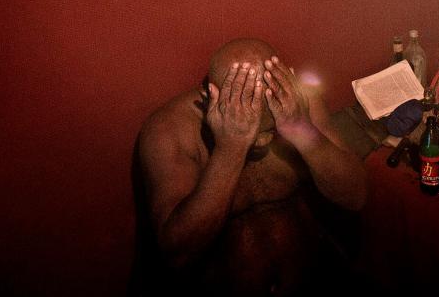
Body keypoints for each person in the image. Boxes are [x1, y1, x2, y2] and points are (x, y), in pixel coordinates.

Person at [132, 38, 367, 296]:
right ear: (211, 97)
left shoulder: (299, 103)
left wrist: (299, 129)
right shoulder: (169, 129)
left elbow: (355, 197)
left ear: (285, 84)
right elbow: (177, 253)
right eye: (247, 125)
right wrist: (231, 146)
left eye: (269, 129)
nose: (262, 140)